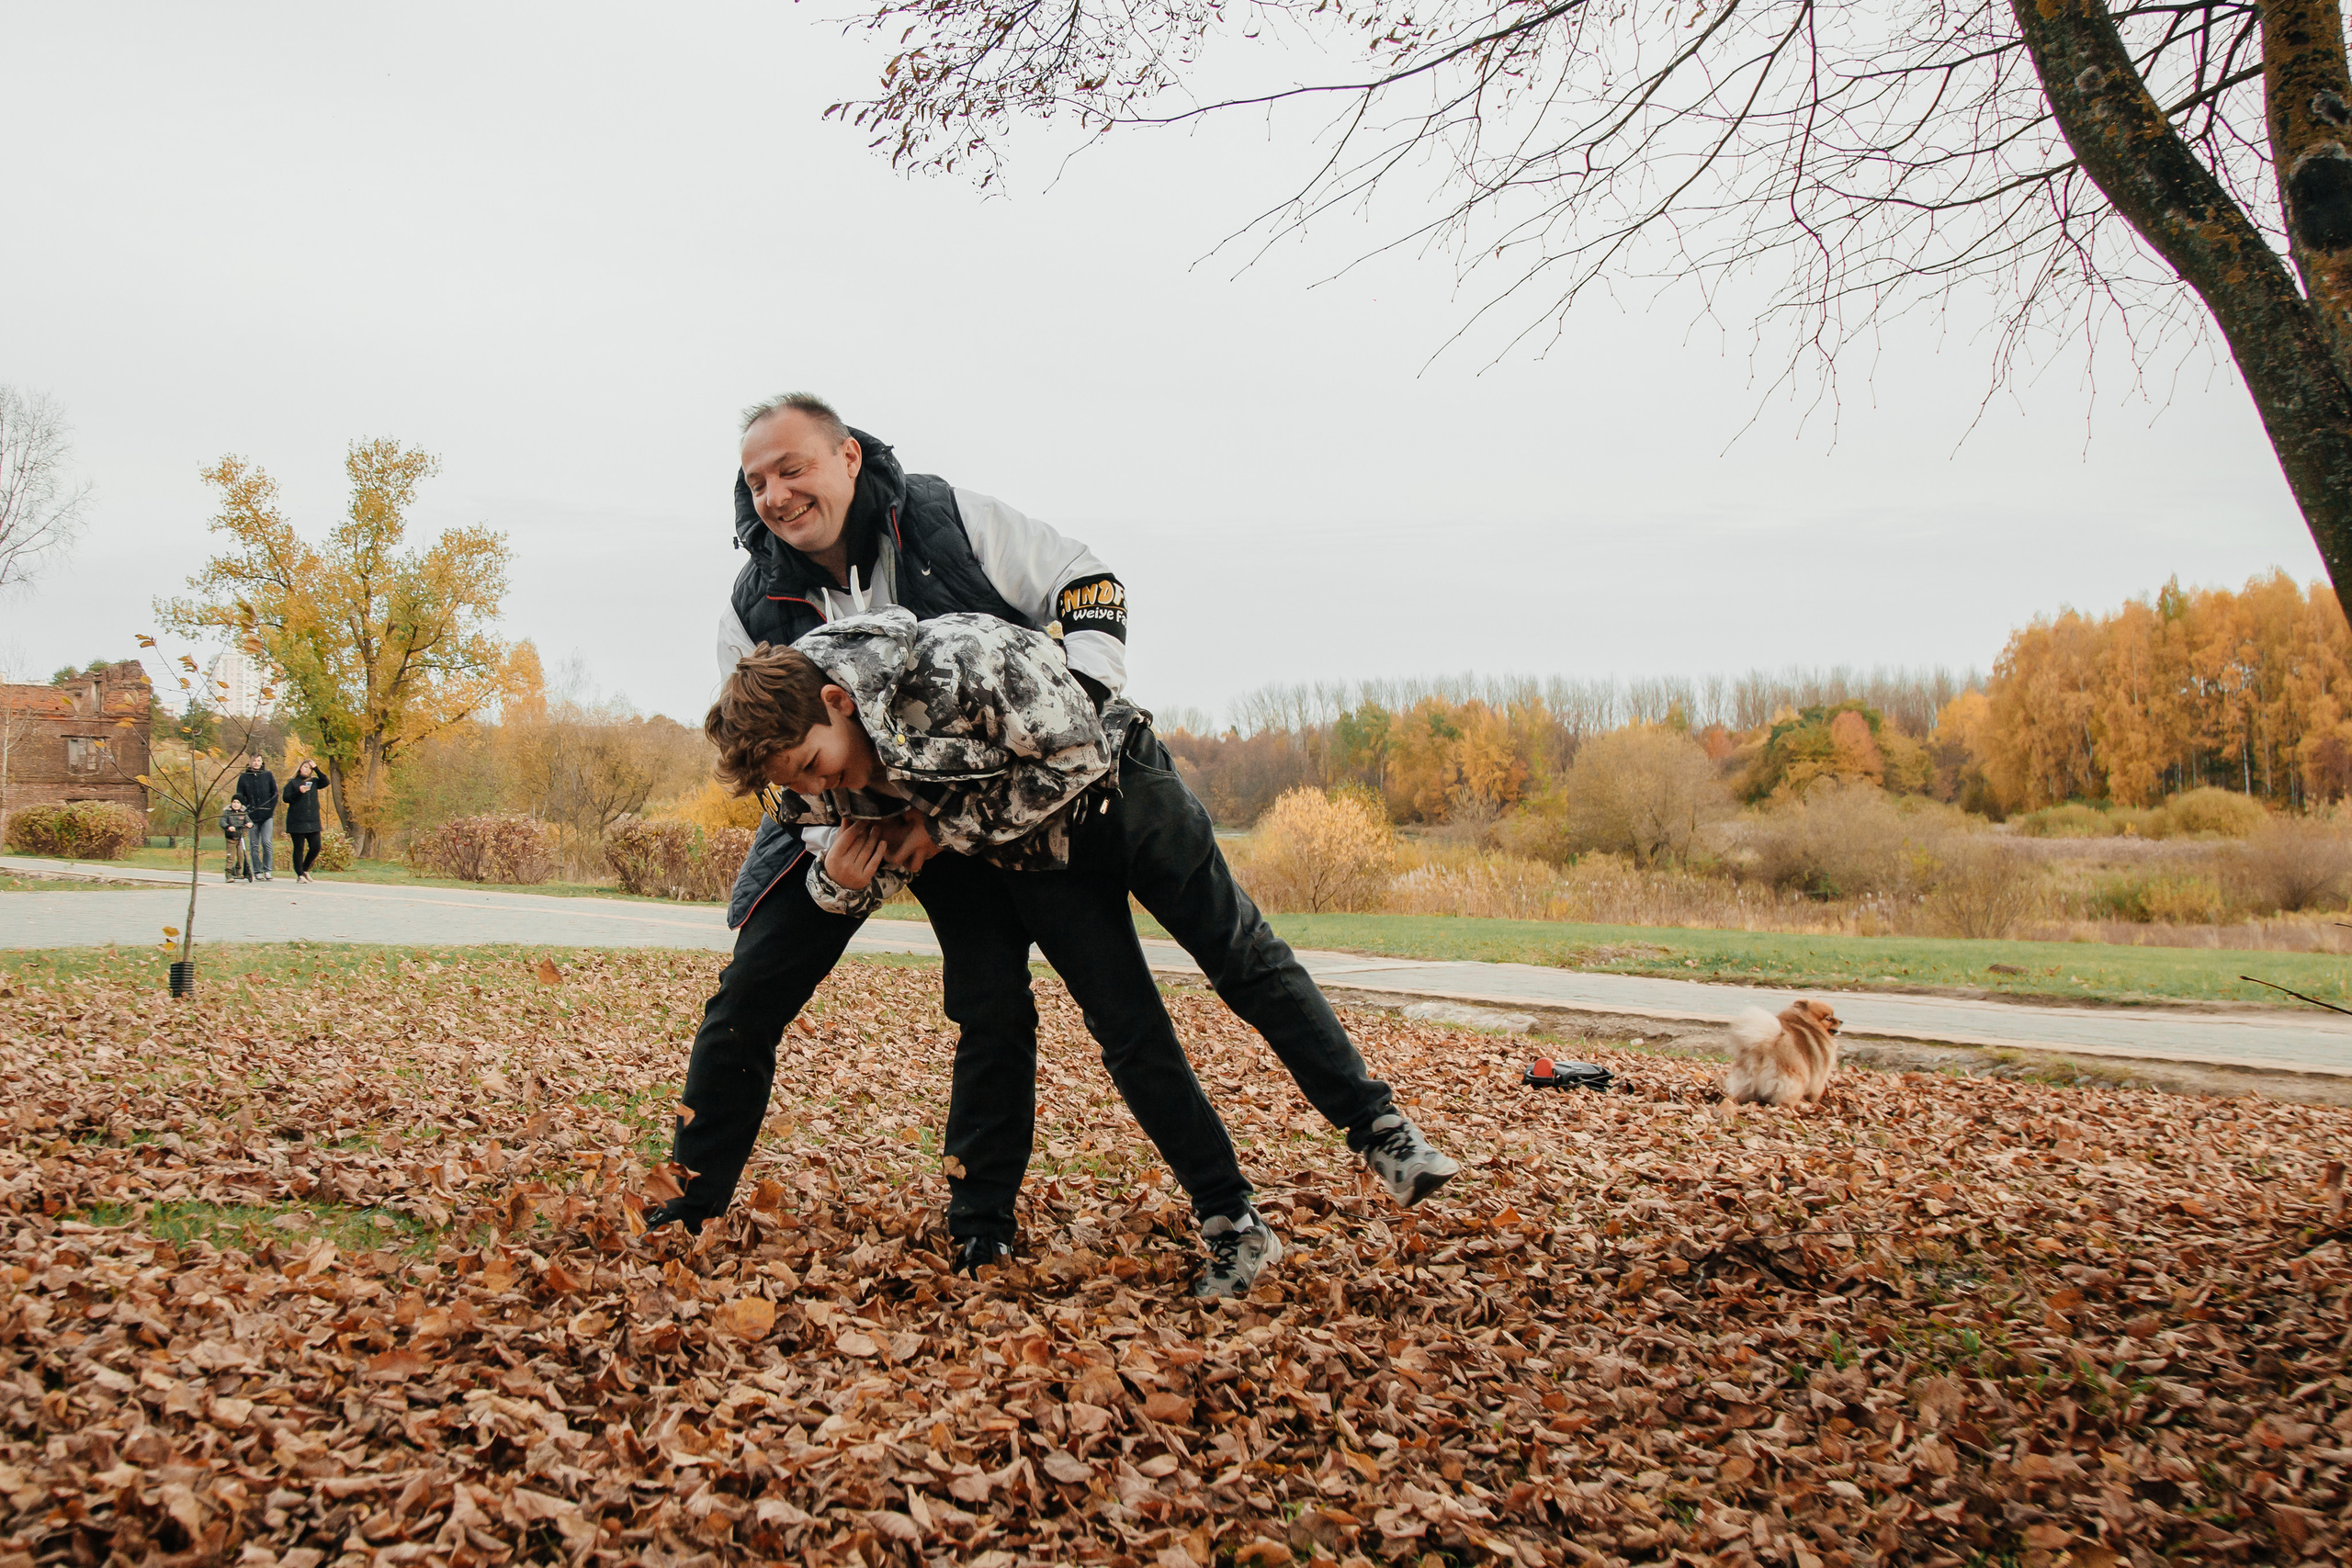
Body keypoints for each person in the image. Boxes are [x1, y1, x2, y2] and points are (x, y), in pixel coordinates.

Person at [704, 608, 1460, 1298]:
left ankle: (1380, 1129)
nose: (816, 785)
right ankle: (1234, 1222)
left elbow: (1077, 754)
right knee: (1129, 1032)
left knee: (1242, 957)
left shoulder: (958, 658)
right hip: (1037, 859)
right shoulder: (806, 785)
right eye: (793, 781)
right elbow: (874, 861)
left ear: (838, 702)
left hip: (1126, 796)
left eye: (812, 761)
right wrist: (839, 885)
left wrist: (942, 829)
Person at [655, 393, 1136, 1252]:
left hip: (965, 804)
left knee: (992, 1000)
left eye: (792, 467)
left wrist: (1083, 699)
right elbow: (765, 759)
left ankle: (979, 1222)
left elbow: (1087, 579)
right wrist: (832, 866)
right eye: (756, 479)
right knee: (747, 994)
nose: (775, 493)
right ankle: (690, 1202)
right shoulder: (753, 605)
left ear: (846, 458)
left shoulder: (951, 522)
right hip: (833, 811)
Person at [233, 754, 278, 882]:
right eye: (254, 760)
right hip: (251, 816)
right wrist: (246, 809)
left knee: (266, 842)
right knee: (254, 844)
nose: (256, 763)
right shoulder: (244, 777)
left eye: (259, 760)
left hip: (267, 815)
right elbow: (239, 796)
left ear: (262, 762)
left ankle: (268, 870)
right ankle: (257, 871)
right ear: (249, 762)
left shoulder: (268, 775)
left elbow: (275, 794)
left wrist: (270, 808)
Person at [283, 759, 326, 882]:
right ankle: (300, 874)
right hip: (297, 820)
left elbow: (326, 781)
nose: (307, 769)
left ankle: (305, 868)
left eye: (309, 768)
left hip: (313, 820)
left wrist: (317, 768)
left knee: (316, 846)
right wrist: (299, 791)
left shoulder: (314, 782)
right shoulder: (292, 783)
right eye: (305, 767)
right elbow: (286, 798)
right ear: (300, 768)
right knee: (299, 848)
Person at [218, 798, 253, 883]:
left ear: (241, 804)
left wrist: (249, 824)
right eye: (234, 802)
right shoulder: (227, 812)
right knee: (231, 857)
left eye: (238, 802)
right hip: (230, 838)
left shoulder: (243, 812)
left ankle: (239, 871)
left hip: (240, 838)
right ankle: (228, 873)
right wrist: (228, 827)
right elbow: (222, 822)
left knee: (241, 855)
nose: (235, 804)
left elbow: (248, 821)